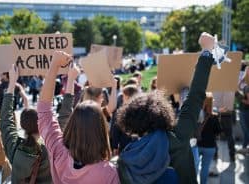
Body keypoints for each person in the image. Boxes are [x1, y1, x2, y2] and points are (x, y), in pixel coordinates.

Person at [116, 32, 215, 184]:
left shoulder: (126, 157)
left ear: (129, 119)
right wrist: (207, 52)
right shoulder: (178, 137)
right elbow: (195, 95)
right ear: (162, 112)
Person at [37, 52, 119, 184]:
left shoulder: (59, 152)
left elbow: (44, 110)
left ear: (71, 125)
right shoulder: (109, 173)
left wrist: (54, 65)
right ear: (102, 131)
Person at [0, 65, 52, 183]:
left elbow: (5, 120)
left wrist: (12, 82)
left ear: (22, 126)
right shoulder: (50, 149)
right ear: (41, 125)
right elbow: (64, 117)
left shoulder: (15, 147)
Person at [196, 93, 221, 184]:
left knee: (194, 166)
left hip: (197, 145)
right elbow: (218, 132)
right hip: (210, 146)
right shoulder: (214, 117)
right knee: (205, 168)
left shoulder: (196, 115)